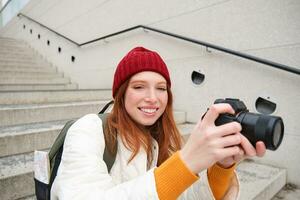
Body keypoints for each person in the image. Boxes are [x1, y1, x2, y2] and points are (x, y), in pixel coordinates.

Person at [51, 46, 266, 200]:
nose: (153, 98)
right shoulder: (88, 129)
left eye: (161, 88)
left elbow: (184, 195)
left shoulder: (165, 141)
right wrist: (185, 163)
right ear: (121, 94)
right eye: (139, 87)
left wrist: (222, 167)